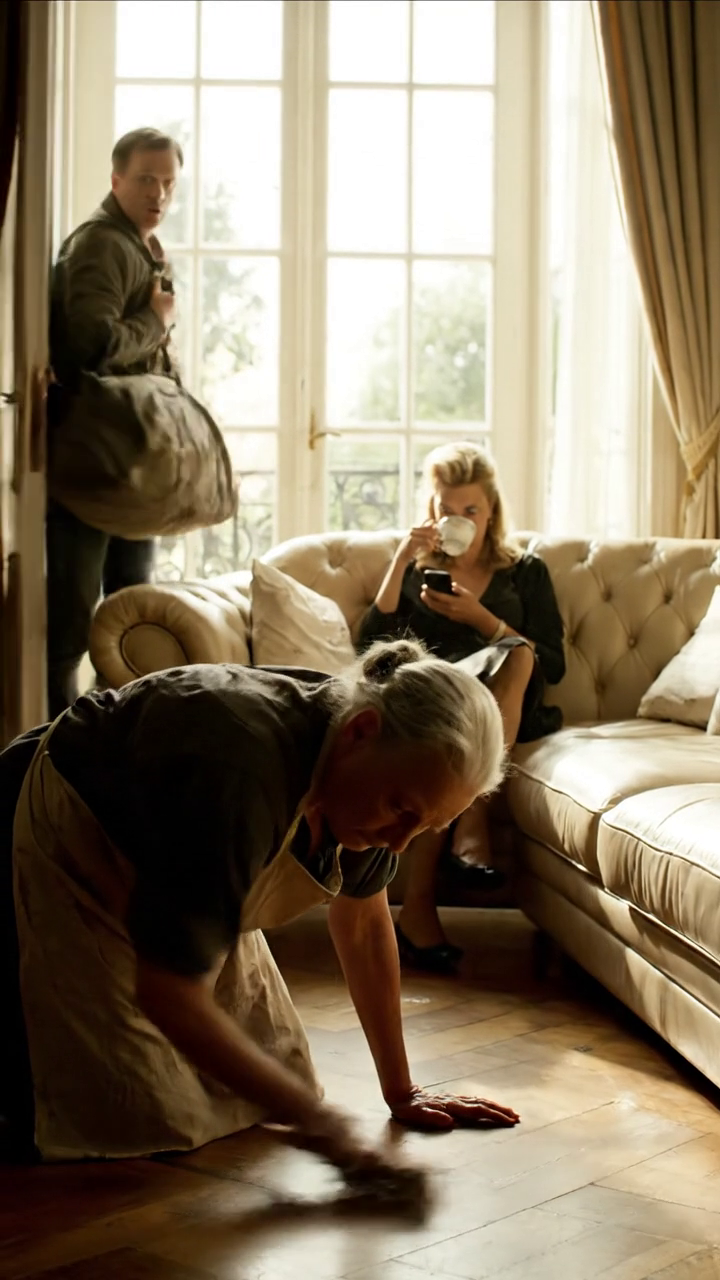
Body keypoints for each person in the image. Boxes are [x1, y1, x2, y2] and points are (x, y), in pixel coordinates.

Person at [0, 640, 520, 1170]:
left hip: (185, 868)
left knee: (276, 1087)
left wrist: (401, 1091)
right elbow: (169, 992)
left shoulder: (370, 788)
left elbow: (363, 925)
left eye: (424, 826)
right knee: (136, 1116)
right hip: (69, 826)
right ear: (360, 731)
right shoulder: (238, 762)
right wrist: (323, 1129)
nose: (400, 843)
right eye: (401, 810)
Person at [359, 441, 566, 973]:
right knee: (448, 730)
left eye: (469, 510)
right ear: (432, 509)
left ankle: (466, 827)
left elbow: (552, 663)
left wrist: (483, 620)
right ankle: (454, 855)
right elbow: (372, 645)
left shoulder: (527, 572)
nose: (457, 519)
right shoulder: (419, 568)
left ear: (490, 510)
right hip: (440, 698)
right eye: (446, 509)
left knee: (516, 655)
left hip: (503, 700)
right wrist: (402, 558)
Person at [47, 127, 183, 719]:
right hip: (95, 459)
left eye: (169, 183)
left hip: (129, 460)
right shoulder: (103, 245)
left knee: (131, 611)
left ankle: (116, 741)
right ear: (116, 180)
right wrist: (155, 322)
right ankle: (54, 749)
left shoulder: (144, 249)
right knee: (74, 620)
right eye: (147, 179)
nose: (159, 194)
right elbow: (85, 344)